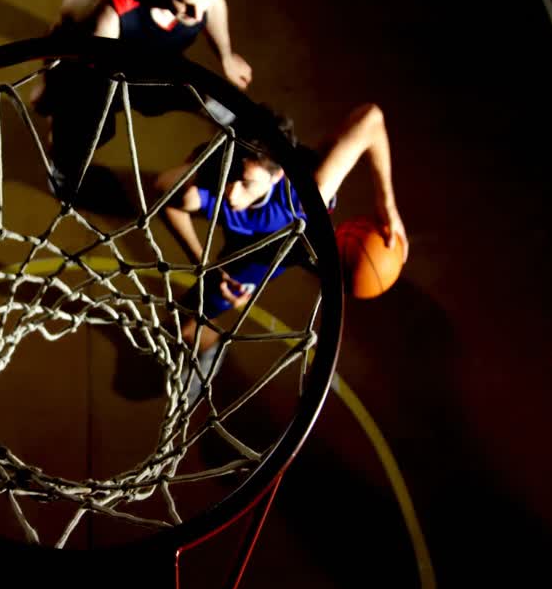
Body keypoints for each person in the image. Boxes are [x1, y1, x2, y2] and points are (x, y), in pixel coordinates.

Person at [154, 103, 409, 398]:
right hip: (248, 247)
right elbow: (164, 191)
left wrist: (387, 206)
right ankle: (210, 346)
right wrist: (206, 264)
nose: (233, 193)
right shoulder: (219, 179)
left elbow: (371, 118)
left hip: (289, 245)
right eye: (233, 174)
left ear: (276, 177)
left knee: (333, 251)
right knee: (181, 323)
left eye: (246, 183)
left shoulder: (306, 194)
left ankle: (227, 110)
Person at [34, 0, 252, 207]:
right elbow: (61, 30)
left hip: (156, 62)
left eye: (203, 5)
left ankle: (244, 138)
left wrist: (226, 55)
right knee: (85, 131)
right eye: (186, 5)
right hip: (98, 71)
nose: (197, 16)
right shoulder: (103, 5)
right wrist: (48, 82)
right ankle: (64, 176)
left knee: (203, 95)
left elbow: (214, 3)